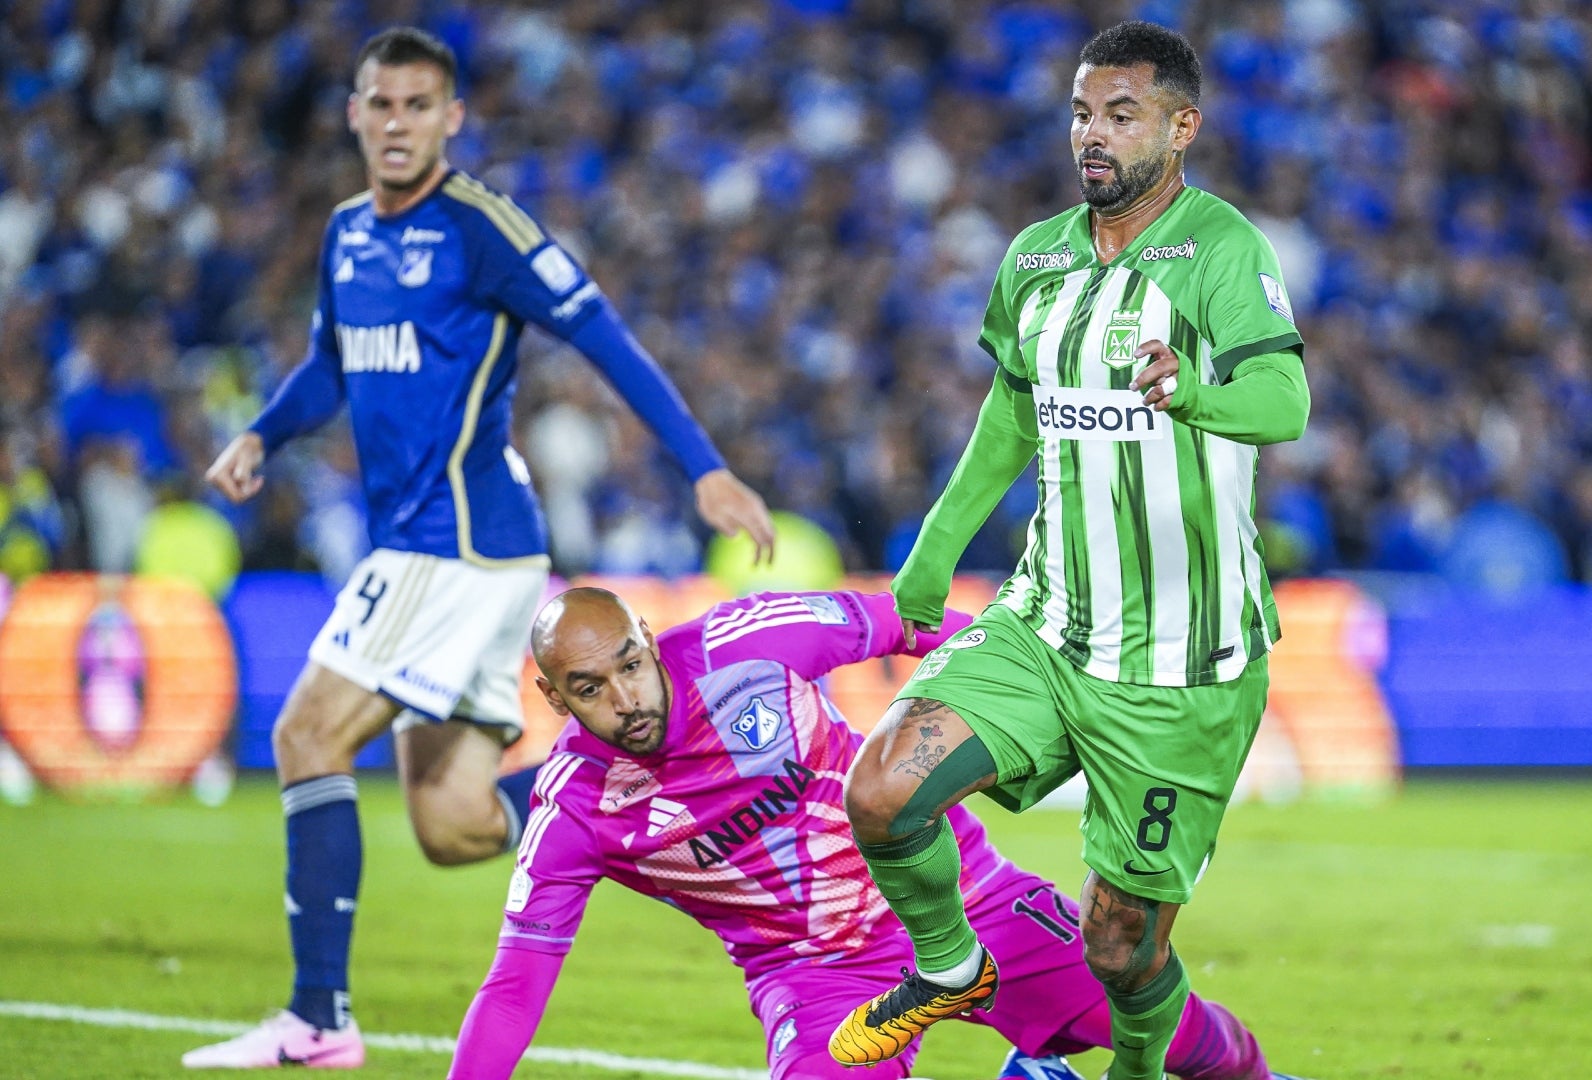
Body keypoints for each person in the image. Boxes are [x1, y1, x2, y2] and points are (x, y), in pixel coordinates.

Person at [182, 27, 775, 1069]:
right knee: (453, 825)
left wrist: (703, 466)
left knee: (305, 737)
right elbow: (330, 362)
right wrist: (263, 435)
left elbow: (603, 337)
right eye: (381, 104)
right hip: (424, 544)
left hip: (458, 542)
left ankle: (318, 1020)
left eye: (419, 106)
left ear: (452, 118)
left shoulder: (484, 228)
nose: (397, 123)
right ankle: (618, 783)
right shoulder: (345, 235)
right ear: (355, 113)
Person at [828, 22, 1310, 1080]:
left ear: (1182, 127)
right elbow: (1012, 413)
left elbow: (1286, 401)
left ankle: (1155, 1068)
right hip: (1046, 624)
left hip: (1180, 666)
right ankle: (951, 967)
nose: (1093, 134)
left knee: (1121, 951)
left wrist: (1195, 390)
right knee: (881, 791)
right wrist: (931, 551)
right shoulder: (1035, 255)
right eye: (1084, 112)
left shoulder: (1221, 250)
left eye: (1122, 114)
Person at [444, 587, 1300, 1080]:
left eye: (631, 663)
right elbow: (515, 985)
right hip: (815, 975)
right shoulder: (574, 813)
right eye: (591, 688)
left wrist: (1025, 705)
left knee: (1173, 1032)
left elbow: (911, 620)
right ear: (554, 701)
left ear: (646, 640)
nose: (627, 699)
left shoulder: (751, 643)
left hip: (964, 900)